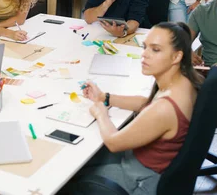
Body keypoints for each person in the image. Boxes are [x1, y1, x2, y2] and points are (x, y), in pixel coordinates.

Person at [65, 22, 203, 194]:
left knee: (67, 174)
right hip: (151, 168)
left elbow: (113, 142)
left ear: (176, 57)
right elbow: (147, 103)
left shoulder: (165, 108)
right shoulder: (184, 82)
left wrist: (101, 113)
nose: (144, 55)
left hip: (138, 180)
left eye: (156, 50)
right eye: (145, 47)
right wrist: (105, 97)